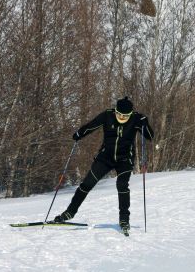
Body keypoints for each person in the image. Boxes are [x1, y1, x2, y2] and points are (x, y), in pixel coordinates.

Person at [54, 96, 154, 233]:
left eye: (125, 116)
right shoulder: (108, 115)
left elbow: (149, 136)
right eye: (119, 114)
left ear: (130, 114)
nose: (122, 118)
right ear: (116, 111)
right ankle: (69, 212)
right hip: (105, 157)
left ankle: (124, 219)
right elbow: (91, 126)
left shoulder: (137, 119)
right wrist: (79, 134)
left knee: (122, 185)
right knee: (86, 184)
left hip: (125, 160)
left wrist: (145, 123)